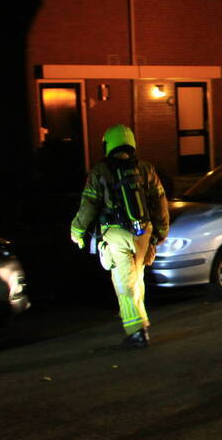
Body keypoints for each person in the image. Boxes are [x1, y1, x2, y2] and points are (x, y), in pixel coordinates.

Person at [70, 124, 169, 348]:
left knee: (124, 282)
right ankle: (139, 322)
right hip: (143, 232)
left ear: (108, 145)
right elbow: (160, 201)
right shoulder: (146, 169)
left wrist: (77, 231)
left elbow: (89, 204)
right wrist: (161, 232)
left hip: (115, 233)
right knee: (137, 278)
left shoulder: (100, 172)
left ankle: (136, 332)